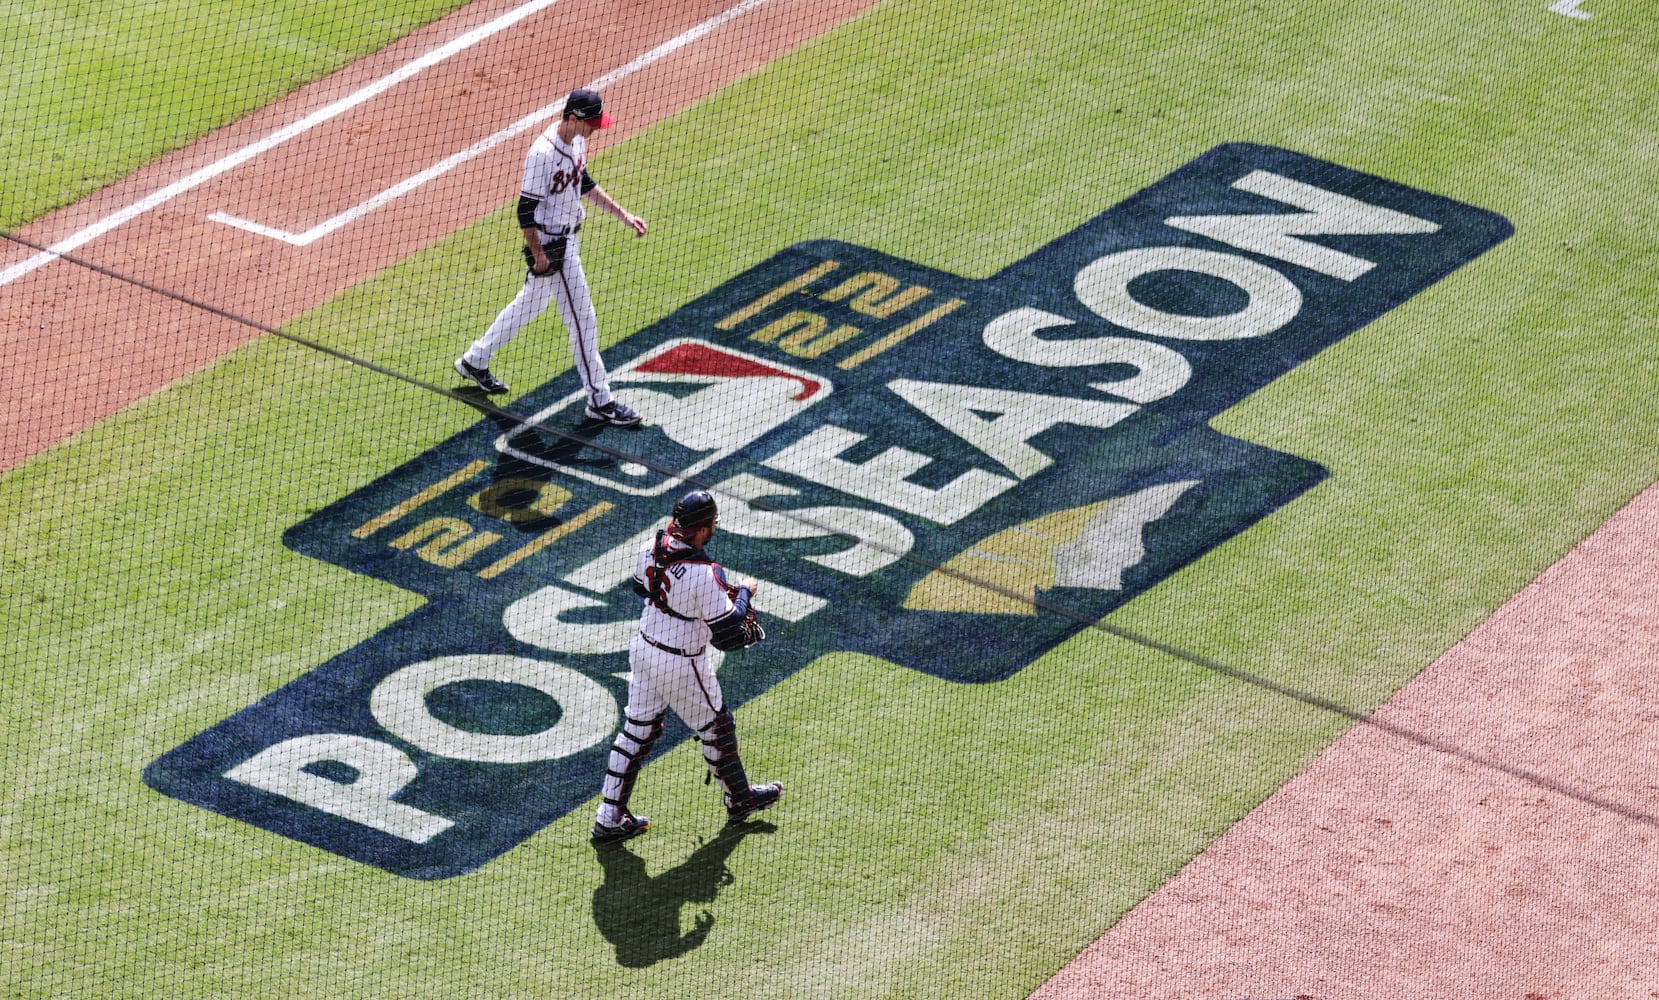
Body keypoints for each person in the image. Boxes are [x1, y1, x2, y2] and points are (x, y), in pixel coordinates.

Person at [592, 489, 783, 843]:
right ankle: (740, 799)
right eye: (712, 523)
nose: (714, 527)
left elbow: (640, 588)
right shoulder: (705, 574)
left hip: (644, 648)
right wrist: (743, 592)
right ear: (701, 528)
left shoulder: (650, 546)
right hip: (681, 663)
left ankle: (609, 817)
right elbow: (727, 635)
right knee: (718, 728)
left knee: (637, 731)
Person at [454, 88, 647, 428]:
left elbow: (584, 184)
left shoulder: (577, 141)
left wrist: (624, 214)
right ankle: (600, 401)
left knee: (532, 304)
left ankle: (475, 360)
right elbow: (524, 210)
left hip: (565, 238)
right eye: (592, 123)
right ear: (573, 118)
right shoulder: (542, 154)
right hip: (553, 247)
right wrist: (539, 253)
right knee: (583, 322)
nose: (597, 129)